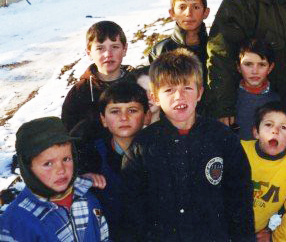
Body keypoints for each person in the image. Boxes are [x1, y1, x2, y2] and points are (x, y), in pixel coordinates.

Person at [121, 49, 254, 241]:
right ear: (155, 97)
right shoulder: (143, 146)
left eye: (187, 88)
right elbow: (132, 214)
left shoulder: (222, 138)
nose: (179, 97)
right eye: (169, 90)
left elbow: (240, 202)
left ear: (199, 92)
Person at [0, 117, 109, 241]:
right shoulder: (16, 221)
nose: (61, 170)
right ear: (27, 168)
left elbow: (104, 237)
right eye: (48, 164)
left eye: (66, 159)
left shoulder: (88, 199)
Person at [79, 81, 148, 240]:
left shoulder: (158, 152)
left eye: (132, 110)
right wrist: (83, 179)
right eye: (115, 111)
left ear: (146, 116)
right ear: (103, 119)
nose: (124, 117)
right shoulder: (92, 155)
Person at [241, 101, 286, 242]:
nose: (275, 131)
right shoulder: (238, 151)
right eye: (268, 125)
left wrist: (275, 238)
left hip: (253, 232)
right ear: (256, 132)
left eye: (283, 127)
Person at [62, 20, 133, 140]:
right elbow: (69, 135)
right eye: (100, 48)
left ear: (124, 49)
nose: (108, 54)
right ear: (89, 53)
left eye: (115, 47)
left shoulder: (137, 83)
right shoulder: (80, 92)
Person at [149, 0, 210, 88]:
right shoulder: (160, 51)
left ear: (206, 12)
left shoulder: (214, 49)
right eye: (182, 7)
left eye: (195, 7)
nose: (188, 13)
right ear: (172, 13)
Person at [235, 38, 280, 139]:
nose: (255, 71)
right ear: (238, 67)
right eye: (248, 64)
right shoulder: (229, 99)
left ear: (270, 68)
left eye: (261, 65)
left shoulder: (277, 99)